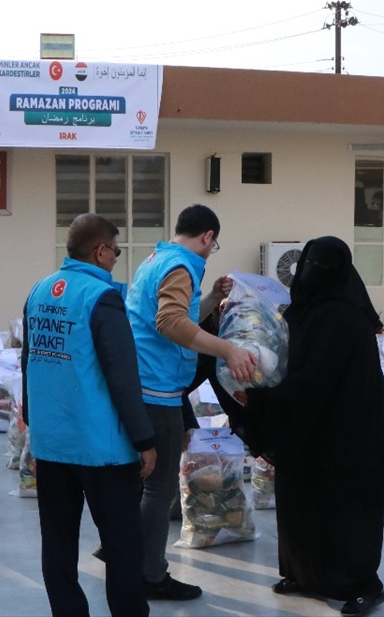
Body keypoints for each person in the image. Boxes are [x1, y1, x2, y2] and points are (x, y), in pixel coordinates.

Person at [239, 236, 384, 617]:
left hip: (350, 433)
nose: (313, 273)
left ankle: (363, 585)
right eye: (309, 264)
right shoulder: (298, 312)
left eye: (322, 267)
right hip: (307, 427)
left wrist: (262, 400)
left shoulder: (346, 319)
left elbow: (316, 379)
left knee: (348, 513)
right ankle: (304, 574)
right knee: (300, 504)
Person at [21, 213, 157, 617]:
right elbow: (123, 376)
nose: (115, 258)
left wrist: (35, 428)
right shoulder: (102, 297)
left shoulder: (39, 291)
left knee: (58, 543)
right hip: (102, 450)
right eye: (115, 251)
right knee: (123, 546)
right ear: (100, 252)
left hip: (52, 446)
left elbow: (28, 364)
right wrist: (144, 440)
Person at [125, 203, 257, 601]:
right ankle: (150, 575)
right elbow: (170, 323)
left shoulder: (157, 259)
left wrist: (213, 296)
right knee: (158, 488)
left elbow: (178, 316)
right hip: (157, 389)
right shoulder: (181, 266)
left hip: (142, 383)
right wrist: (228, 350)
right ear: (208, 237)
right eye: (213, 246)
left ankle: (124, 556)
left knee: (141, 484)